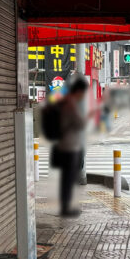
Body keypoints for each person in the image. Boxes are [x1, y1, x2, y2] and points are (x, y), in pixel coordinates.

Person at [53, 76, 90, 216]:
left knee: (67, 178)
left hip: (67, 145)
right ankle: (66, 208)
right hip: (70, 147)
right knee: (68, 178)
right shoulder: (71, 104)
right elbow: (79, 124)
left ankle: (66, 206)